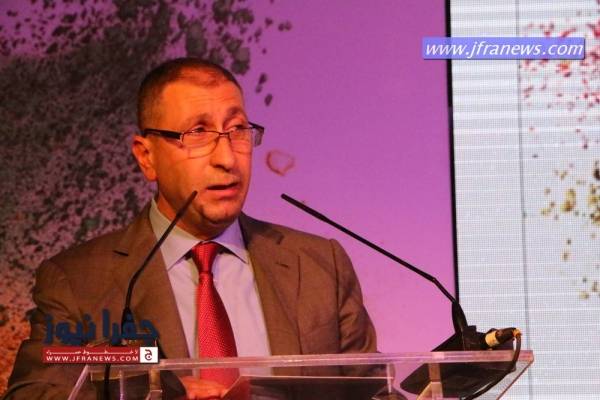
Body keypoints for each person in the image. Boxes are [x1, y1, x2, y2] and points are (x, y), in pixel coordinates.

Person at [5, 58, 377, 399]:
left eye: (237, 129)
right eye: (198, 132)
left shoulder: (319, 265)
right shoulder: (78, 283)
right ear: (146, 157)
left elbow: (377, 391)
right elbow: (33, 395)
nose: (227, 158)